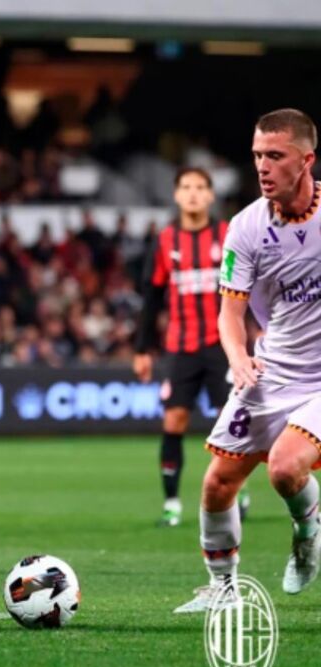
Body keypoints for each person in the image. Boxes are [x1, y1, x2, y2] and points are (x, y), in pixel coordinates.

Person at [175, 109, 321, 613]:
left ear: (306, 161)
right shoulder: (245, 227)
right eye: (258, 154)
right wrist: (238, 358)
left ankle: (307, 532)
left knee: (284, 468)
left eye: (275, 155)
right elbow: (229, 314)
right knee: (218, 482)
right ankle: (224, 587)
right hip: (271, 369)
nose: (262, 165)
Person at [133, 168, 245, 527]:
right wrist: (142, 349)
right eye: (186, 187)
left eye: (200, 187)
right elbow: (151, 298)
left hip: (222, 345)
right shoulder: (166, 240)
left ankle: (236, 491)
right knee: (174, 419)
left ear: (211, 196)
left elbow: (251, 287)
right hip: (180, 347)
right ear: (177, 195)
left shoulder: (227, 234)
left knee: (229, 422)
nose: (194, 194)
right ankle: (172, 504)